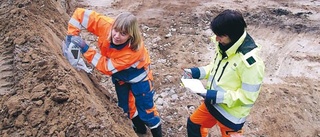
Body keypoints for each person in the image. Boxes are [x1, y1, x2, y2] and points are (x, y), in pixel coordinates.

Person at [64, 8, 162, 137]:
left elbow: (106, 67)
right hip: (120, 76)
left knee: (147, 112)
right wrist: (72, 35)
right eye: (116, 30)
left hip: (139, 78)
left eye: (123, 34)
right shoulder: (106, 25)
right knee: (125, 107)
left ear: (130, 36)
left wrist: (85, 49)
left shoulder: (133, 51)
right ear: (113, 26)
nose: (116, 36)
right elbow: (79, 14)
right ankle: (140, 130)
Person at [183, 9, 265, 137]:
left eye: (220, 36)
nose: (216, 38)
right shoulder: (225, 45)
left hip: (230, 116)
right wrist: (196, 72)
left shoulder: (250, 63)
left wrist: (216, 96)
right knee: (194, 125)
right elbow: (216, 68)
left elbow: (247, 97)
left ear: (233, 35)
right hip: (212, 105)